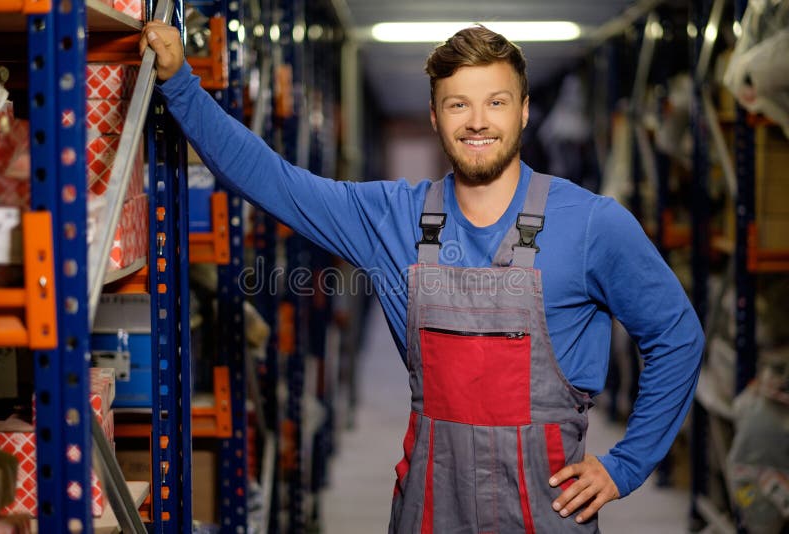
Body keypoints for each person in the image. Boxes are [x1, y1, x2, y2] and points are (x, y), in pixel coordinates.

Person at [140, 22, 704, 532]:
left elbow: (677, 336)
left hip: (548, 510)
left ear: (525, 110)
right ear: (435, 117)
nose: (478, 121)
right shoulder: (392, 218)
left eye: (497, 102)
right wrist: (182, 85)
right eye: (458, 104)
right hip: (431, 508)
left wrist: (624, 466)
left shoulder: (592, 224)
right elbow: (273, 180)